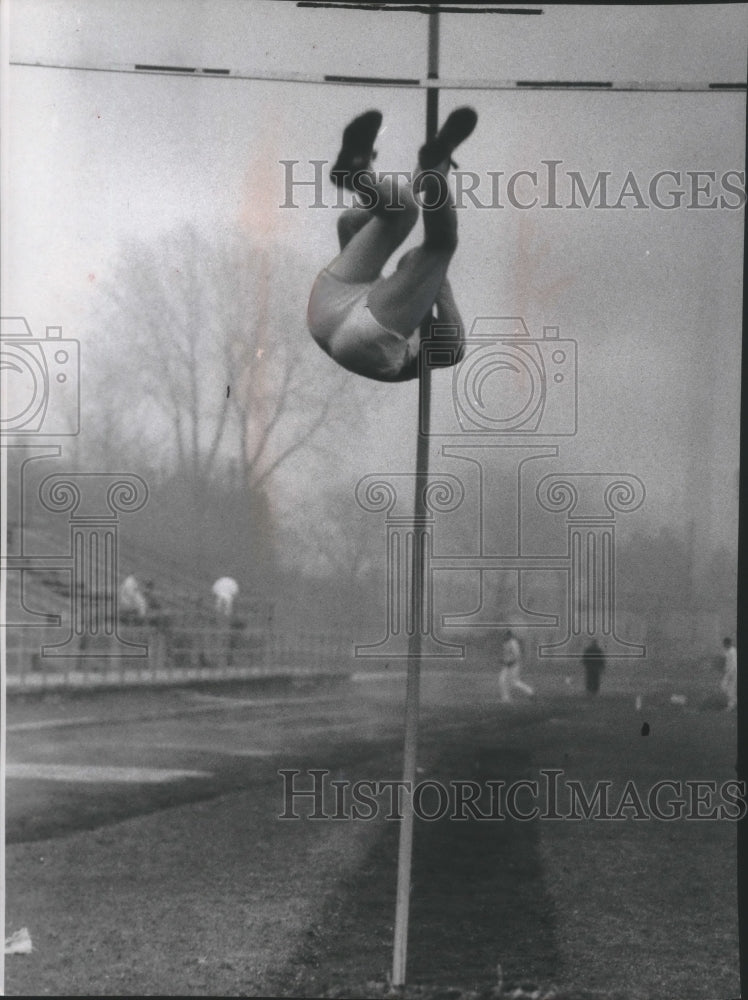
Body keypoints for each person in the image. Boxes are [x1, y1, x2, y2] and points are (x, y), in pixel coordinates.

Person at [307, 107, 477, 382]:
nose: (403, 272)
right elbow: (348, 223)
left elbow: (455, 350)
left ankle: (430, 172)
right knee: (404, 210)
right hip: (337, 315)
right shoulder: (381, 299)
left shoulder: (419, 311)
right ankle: (360, 171)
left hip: (337, 318)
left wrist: (438, 284)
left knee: (438, 245)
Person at [499, 629, 534, 704]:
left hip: (514, 665)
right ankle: (506, 698)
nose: (504, 636)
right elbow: (507, 655)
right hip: (507, 665)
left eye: (506, 635)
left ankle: (530, 691)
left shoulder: (513, 643)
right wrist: (503, 660)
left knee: (514, 682)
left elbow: (517, 655)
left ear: (509, 635)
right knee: (502, 680)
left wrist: (511, 662)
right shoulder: (505, 642)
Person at [720, 636, 737, 711]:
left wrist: (729, 673)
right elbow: (727, 662)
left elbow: (733, 664)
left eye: (725, 644)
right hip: (729, 672)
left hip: (733, 672)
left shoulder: (732, 651)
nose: (724, 646)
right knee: (724, 686)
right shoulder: (728, 650)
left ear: (728, 644)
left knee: (730, 688)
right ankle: (734, 701)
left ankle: (731, 705)